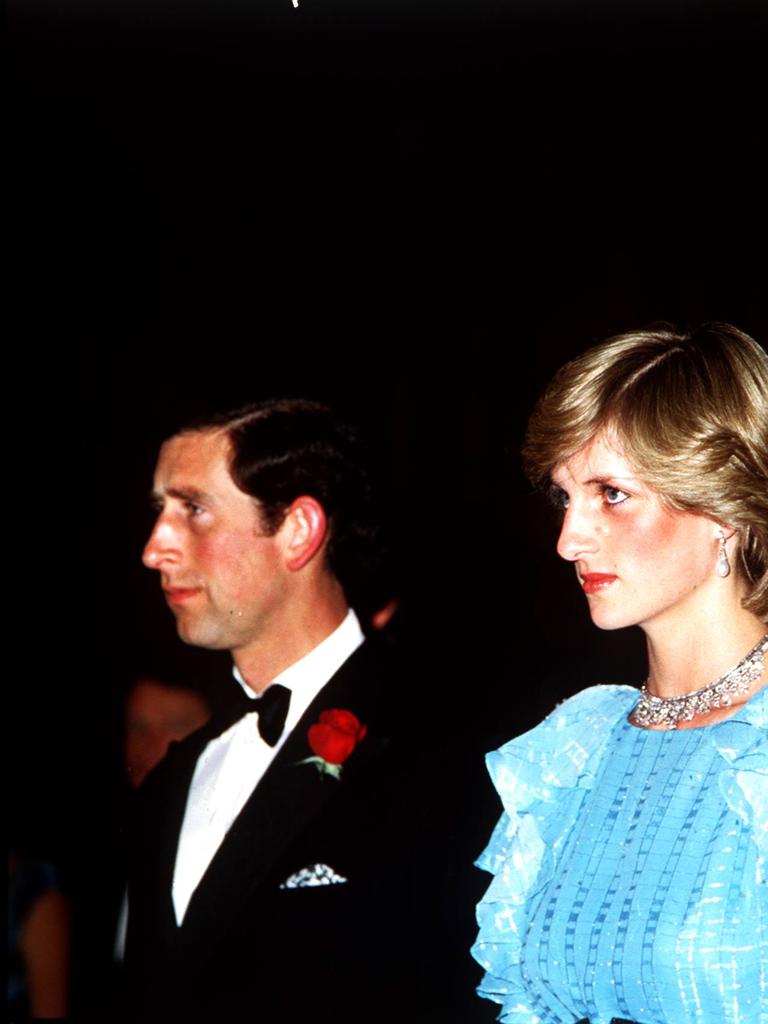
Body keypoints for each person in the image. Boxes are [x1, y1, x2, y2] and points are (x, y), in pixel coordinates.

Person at [119, 398, 485, 1022]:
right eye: (161, 513)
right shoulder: (171, 780)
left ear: (298, 531)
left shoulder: (445, 748)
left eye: (194, 511)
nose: (156, 549)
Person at [472, 323, 767, 1024]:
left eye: (611, 493)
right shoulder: (574, 748)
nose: (569, 539)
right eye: (564, 497)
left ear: (722, 507)